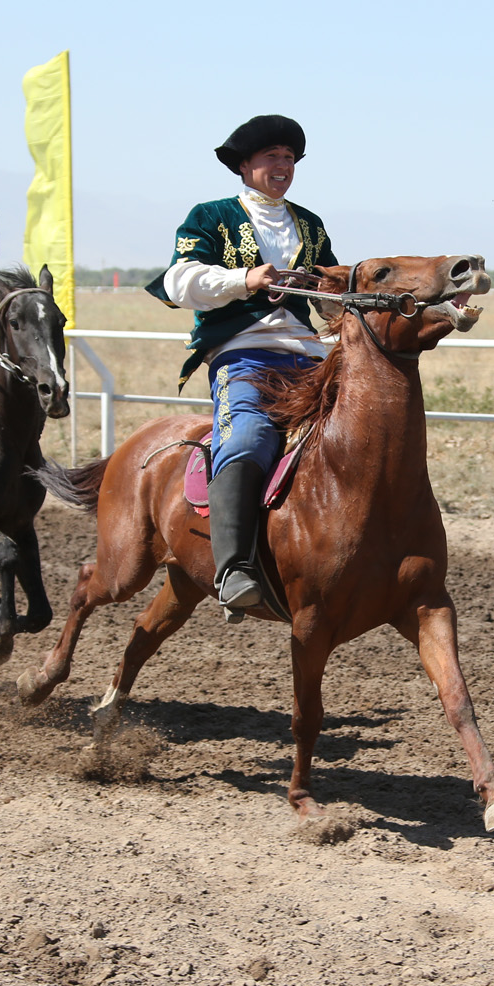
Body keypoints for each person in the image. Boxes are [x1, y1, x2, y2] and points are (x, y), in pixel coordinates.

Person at [146, 115, 339, 620]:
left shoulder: (311, 225)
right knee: (250, 436)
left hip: (309, 358)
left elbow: (333, 300)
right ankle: (233, 569)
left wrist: (338, 302)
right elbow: (178, 282)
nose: (283, 166)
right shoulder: (210, 216)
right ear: (245, 165)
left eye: (290, 158)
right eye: (272, 156)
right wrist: (244, 279)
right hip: (244, 355)